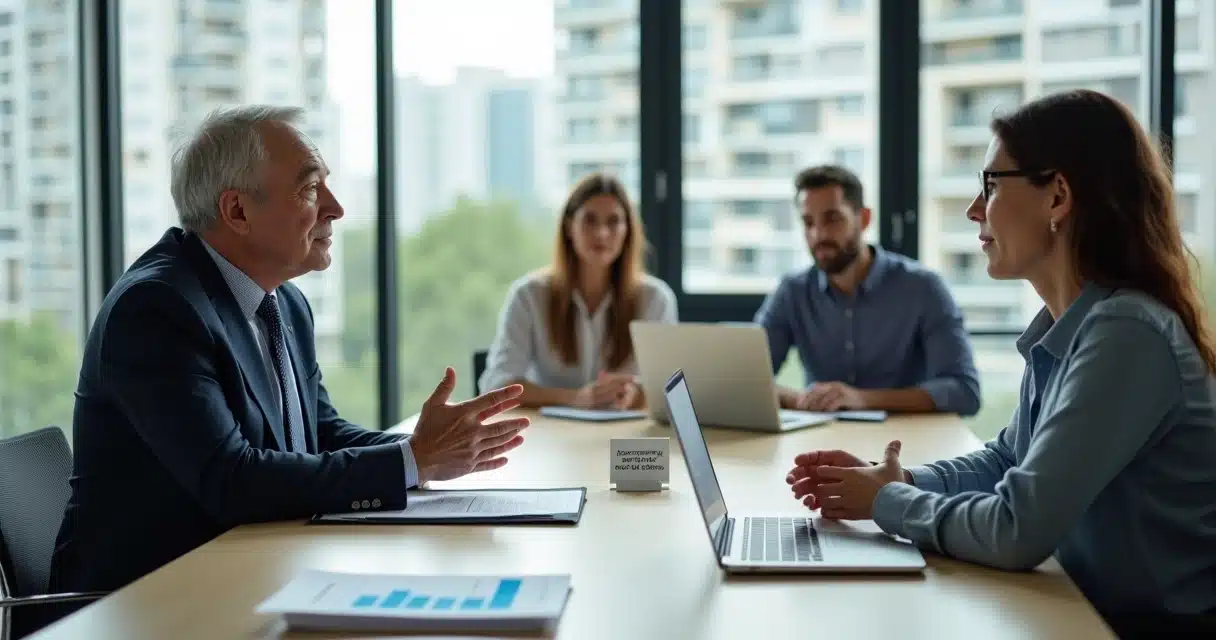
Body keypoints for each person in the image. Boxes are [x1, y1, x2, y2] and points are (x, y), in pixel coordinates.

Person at [785, 90, 1216, 637]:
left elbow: (1017, 528)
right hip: (1079, 609)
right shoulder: (1078, 327)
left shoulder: (1126, 333)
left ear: (1057, 196)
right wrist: (900, 479)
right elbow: (1005, 461)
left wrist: (889, 502)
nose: (972, 210)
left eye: (990, 186)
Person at [49, 106, 530, 595]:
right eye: (309, 189)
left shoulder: (285, 303)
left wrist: (424, 449)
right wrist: (412, 459)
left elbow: (319, 435)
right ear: (237, 211)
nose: (336, 208)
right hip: (146, 602)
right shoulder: (156, 310)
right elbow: (231, 480)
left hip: (252, 572)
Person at [755, 164, 980, 415]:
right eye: (808, 222)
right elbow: (747, 378)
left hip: (906, 442)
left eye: (832, 219)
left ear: (863, 219)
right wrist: (805, 400)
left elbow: (964, 391)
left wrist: (860, 399)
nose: (818, 234)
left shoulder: (923, 288)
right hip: (821, 442)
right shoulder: (792, 292)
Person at [480, 172, 677, 410]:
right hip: (551, 441)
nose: (602, 233)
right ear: (569, 226)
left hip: (626, 443)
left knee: (655, 450)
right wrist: (575, 398)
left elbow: (670, 389)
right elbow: (495, 385)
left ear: (628, 231)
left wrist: (635, 394)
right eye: (590, 220)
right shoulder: (528, 296)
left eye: (613, 221)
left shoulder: (656, 299)